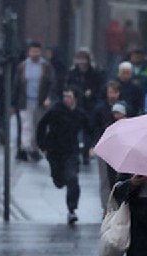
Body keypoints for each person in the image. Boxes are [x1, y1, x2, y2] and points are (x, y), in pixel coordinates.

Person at [36, 86, 90, 225]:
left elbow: (89, 129)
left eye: (69, 96)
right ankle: (59, 178)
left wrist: (90, 146)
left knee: (72, 178)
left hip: (71, 151)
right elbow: (41, 126)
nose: (66, 99)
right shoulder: (56, 110)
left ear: (75, 98)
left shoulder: (79, 113)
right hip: (55, 151)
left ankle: (72, 209)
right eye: (65, 96)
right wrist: (43, 146)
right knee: (59, 181)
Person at [13, 41, 56, 161]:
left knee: (37, 126)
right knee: (26, 125)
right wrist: (14, 102)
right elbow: (16, 84)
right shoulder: (22, 66)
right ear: (28, 52)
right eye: (32, 51)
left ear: (40, 52)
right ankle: (25, 147)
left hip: (40, 102)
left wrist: (49, 97)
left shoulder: (46, 67)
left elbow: (52, 83)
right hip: (25, 101)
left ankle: (33, 148)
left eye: (37, 51)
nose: (35, 54)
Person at [66, 48, 104, 164]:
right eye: (79, 59)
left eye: (84, 59)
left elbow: (100, 88)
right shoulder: (72, 73)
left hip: (89, 106)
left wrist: (91, 92)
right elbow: (68, 86)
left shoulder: (95, 73)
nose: (82, 62)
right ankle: (74, 153)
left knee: (88, 130)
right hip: (76, 105)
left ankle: (86, 153)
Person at [90, 81, 123, 210]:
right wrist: (93, 144)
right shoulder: (100, 108)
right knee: (104, 179)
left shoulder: (124, 107)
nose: (113, 95)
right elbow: (93, 128)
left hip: (120, 147)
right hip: (104, 147)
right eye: (110, 92)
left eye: (115, 92)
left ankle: (119, 205)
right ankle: (106, 207)